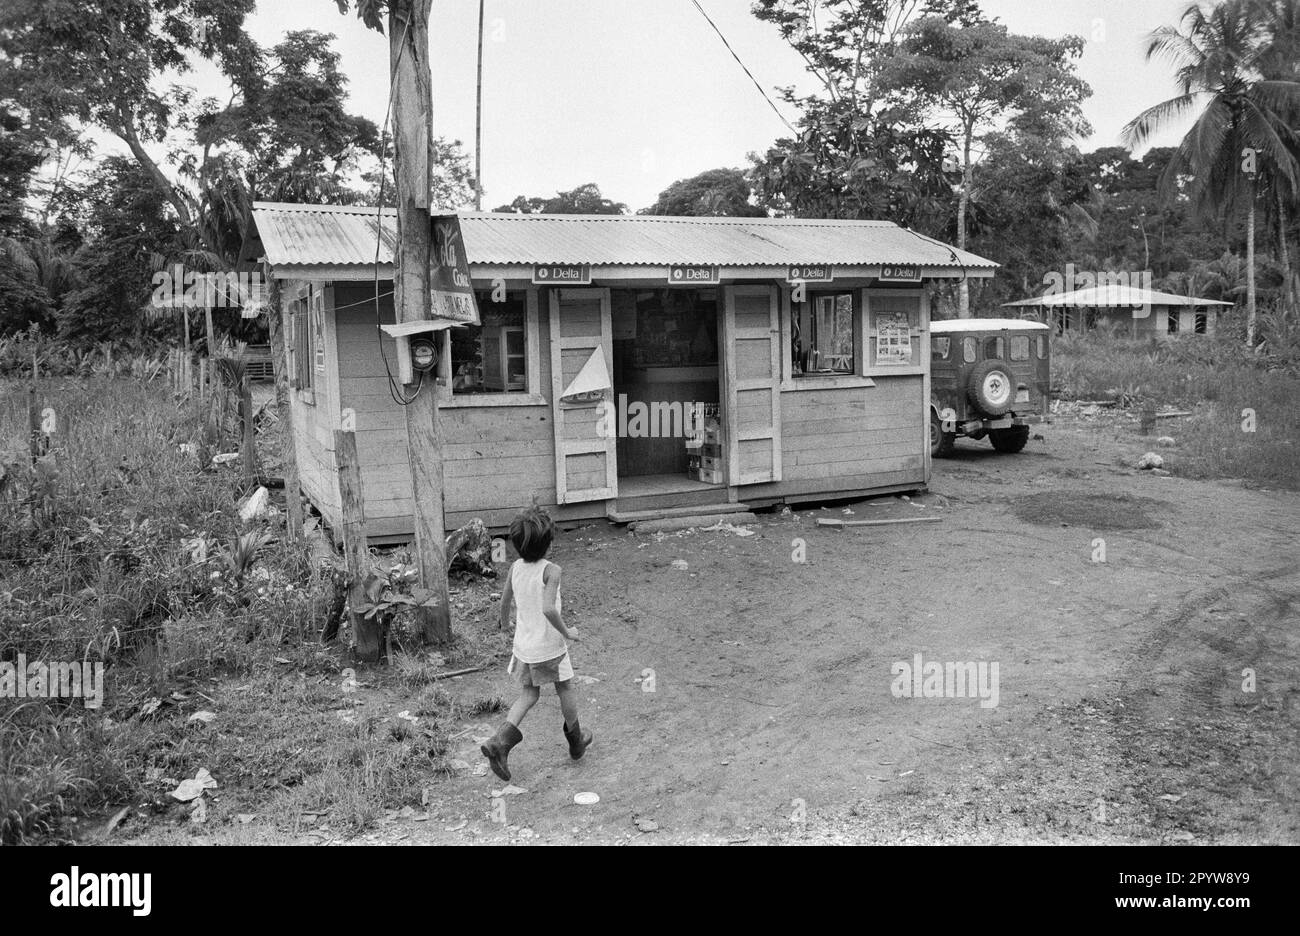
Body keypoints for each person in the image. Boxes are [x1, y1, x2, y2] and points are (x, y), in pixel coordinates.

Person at [480, 507, 592, 781]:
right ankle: (576, 740)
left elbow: (505, 602)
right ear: (549, 544)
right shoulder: (551, 571)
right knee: (565, 686)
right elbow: (549, 609)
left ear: (517, 546)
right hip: (549, 647)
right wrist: (568, 632)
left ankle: (499, 743)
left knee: (529, 695)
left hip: (525, 648)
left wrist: (505, 627)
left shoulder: (515, 568)